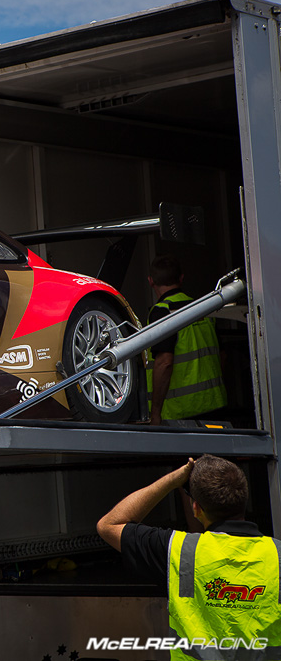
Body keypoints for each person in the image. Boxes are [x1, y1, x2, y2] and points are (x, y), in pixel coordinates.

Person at [97, 455, 281, 656]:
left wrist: (173, 480)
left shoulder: (178, 550)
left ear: (196, 508)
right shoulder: (277, 555)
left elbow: (109, 525)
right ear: (242, 501)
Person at [146, 254, 226, 425]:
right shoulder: (204, 308)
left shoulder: (162, 311)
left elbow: (164, 362)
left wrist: (155, 413)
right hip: (215, 405)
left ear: (151, 281)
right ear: (181, 278)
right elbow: (222, 354)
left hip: (181, 412)